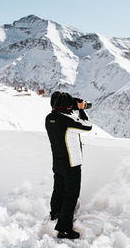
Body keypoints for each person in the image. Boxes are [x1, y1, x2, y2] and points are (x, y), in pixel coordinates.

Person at [45, 91, 92, 239]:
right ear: (66, 106)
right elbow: (87, 126)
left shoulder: (49, 118)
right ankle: (64, 229)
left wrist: (72, 108)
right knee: (71, 195)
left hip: (57, 162)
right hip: (71, 164)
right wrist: (82, 109)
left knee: (58, 189)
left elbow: (64, 118)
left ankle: (55, 214)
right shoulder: (67, 120)